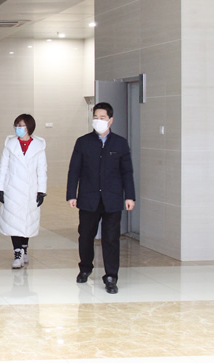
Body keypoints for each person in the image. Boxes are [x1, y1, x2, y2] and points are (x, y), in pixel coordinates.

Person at [67, 102, 135, 294]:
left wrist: (129, 196)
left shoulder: (120, 143)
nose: (98, 120)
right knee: (85, 236)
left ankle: (111, 276)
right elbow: (74, 170)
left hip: (112, 199)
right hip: (88, 198)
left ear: (110, 120)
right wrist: (71, 194)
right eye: (95, 117)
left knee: (111, 239)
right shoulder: (83, 142)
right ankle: (85, 268)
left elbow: (127, 172)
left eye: (102, 117)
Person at [0, 114, 47, 269]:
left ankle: (24, 248)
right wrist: (0, 188)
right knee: (14, 221)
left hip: (30, 190)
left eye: (22, 125)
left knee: (27, 221)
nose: (18, 128)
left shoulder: (38, 146)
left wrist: (41, 191)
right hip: (13, 189)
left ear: (29, 127)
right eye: (17, 125)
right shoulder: (10, 144)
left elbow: (42, 170)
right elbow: (3, 167)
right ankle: (17, 252)